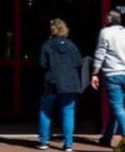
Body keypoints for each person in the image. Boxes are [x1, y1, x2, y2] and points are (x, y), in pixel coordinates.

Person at [90, 9, 125, 147]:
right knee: (115, 107)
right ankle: (107, 137)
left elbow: (100, 53)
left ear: (109, 19)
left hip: (112, 73)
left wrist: (95, 73)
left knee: (117, 106)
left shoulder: (105, 32)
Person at [37, 18, 83, 152]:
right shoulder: (71, 45)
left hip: (52, 82)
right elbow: (79, 62)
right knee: (68, 111)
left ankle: (44, 141)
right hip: (70, 83)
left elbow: (42, 64)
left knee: (45, 111)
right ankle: (68, 144)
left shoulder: (47, 45)